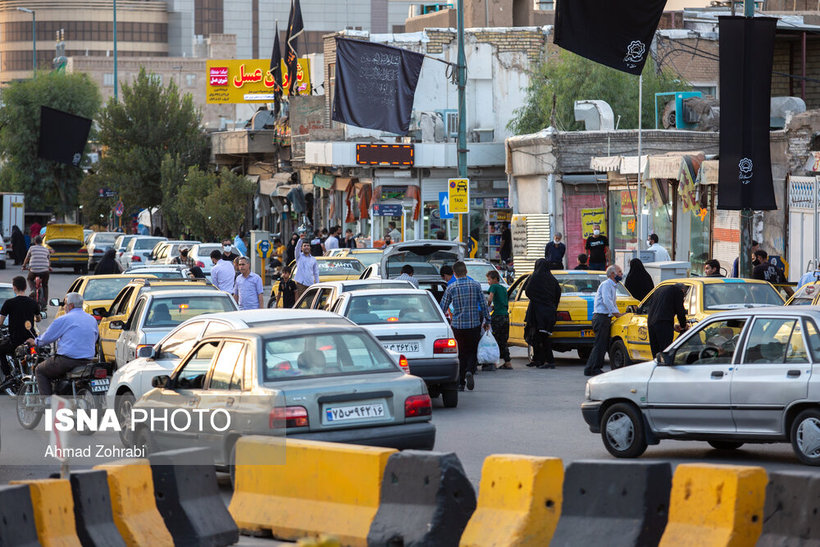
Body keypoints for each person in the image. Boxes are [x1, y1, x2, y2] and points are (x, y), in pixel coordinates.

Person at [27, 292, 97, 401]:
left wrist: (35, 342)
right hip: (88, 360)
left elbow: (47, 338)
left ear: (71, 305)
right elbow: (95, 337)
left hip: (67, 361)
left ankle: (48, 403)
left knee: (40, 370)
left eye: (64, 304)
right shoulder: (91, 319)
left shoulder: (64, 319)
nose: (64, 307)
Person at [440, 261, 490, 391]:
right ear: (466, 272)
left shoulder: (451, 288)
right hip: (474, 324)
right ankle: (469, 371)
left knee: (461, 353)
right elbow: (484, 305)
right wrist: (487, 320)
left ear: (454, 274)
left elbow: (442, 307)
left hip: (458, 326)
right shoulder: (476, 285)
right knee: (472, 350)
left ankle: (461, 383)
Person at [0, 276, 41, 384]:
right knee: (37, 354)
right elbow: (39, 318)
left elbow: (0, 322)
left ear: (14, 288)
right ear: (26, 287)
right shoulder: (33, 303)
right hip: (31, 340)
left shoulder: (9, 303)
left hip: (15, 340)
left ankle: (8, 375)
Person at [584, 265, 623, 376]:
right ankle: (594, 368)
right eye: (619, 272)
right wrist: (617, 314)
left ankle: (590, 368)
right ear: (612, 274)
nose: (621, 274)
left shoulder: (613, 286)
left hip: (605, 318)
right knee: (600, 345)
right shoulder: (606, 285)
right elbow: (607, 301)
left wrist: (618, 314)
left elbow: (612, 303)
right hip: (601, 317)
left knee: (601, 344)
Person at [524, 259, 561, 369]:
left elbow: (528, 291)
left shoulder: (534, 277)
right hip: (549, 312)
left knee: (541, 338)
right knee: (540, 337)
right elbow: (557, 294)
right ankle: (538, 360)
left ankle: (549, 361)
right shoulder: (552, 279)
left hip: (537, 313)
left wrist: (537, 300)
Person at [646, 283, 688, 356]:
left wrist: (673, 326)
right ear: (682, 290)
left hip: (651, 322)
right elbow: (680, 311)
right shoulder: (678, 291)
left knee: (656, 353)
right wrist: (683, 325)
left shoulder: (660, 289)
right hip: (663, 323)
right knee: (665, 351)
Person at [486, 270, 512, 370]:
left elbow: (490, 298)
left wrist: (487, 307)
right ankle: (508, 362)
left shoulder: (494, 286)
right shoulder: (503, 288)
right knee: (503, 341)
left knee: (494, 340)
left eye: (489, 279)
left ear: (495, 279)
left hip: (497, 317)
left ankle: (493, 362)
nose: (488, 282)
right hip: (505, 316)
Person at [22, 235, 52, 306]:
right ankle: (45, 304)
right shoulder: (46, 249)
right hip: (45, 271)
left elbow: (27, 258)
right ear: (41, 242)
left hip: (33, 270)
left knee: (29, 279)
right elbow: (48, 260)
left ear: (35, 242)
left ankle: (33, 290)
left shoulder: (31, 248)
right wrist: (49, 267)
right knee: (45, 285)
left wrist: (24, 266)